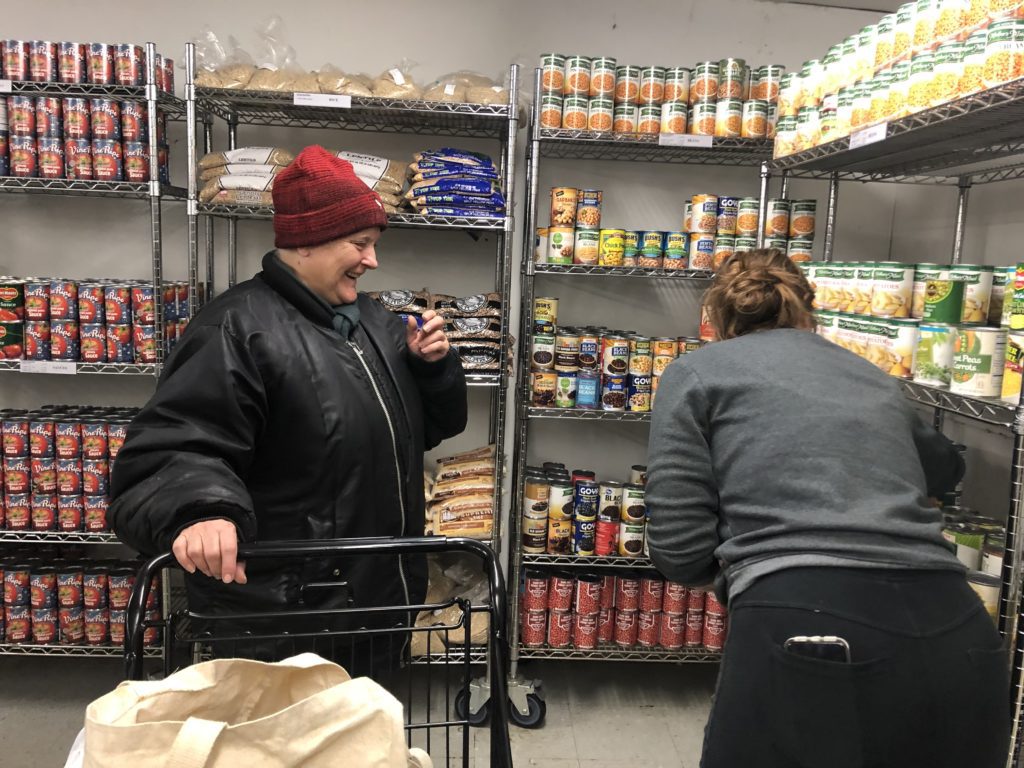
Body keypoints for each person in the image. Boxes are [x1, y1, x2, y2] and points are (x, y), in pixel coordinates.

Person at [646, 248, 1010, 768]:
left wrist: (743, 569)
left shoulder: (698, 373)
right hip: (959, 630)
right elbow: (947, 470)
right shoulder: (870, 374)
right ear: (807, 309)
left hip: (806, 622)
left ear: (718, 318)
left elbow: (679, 546)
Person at [109, 146, 468, 660]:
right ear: (307, 244)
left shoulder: (372, 322)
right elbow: (171, 451)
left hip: (372, 602)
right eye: (360, 243)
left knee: (357, 738)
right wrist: (202, 512)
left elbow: (432, 430)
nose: (373, 260)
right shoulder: (234, 330)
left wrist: (431, 370)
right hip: (284, 620)